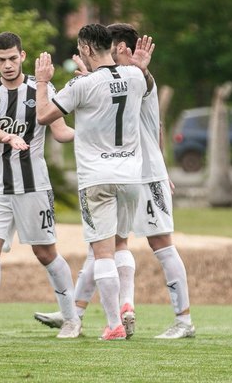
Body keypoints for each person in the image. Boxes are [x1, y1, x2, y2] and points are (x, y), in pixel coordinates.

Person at [33, 24, 196, 339]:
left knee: (150, 246)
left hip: (141, 174)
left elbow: (154, 124)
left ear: (122, 48)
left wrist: (162, 169)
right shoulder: (133, 78)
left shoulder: (136, 78)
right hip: (133, 174)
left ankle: (180, 320)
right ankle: (82, 311)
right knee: (108, 246)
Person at [0, 32, 81, 340]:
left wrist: (93, 135)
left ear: (22, 56)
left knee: (45, 252)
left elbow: (60, 132)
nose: (7, 65)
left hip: (34, 186)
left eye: (12, 58)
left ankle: (72, 318)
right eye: (1, 59)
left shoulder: (41, 89)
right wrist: (8, 137)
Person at [35, 23, 148, 340]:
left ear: (85, 49)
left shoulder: (80, 85)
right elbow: (133, 88)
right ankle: (127, 303)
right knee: (122, 243)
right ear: (111, 46)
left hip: (97, 177)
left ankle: (113, 324)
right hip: (130, 175)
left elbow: (44, 115)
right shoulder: (135, 77)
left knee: (102, 253)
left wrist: (43, 82)